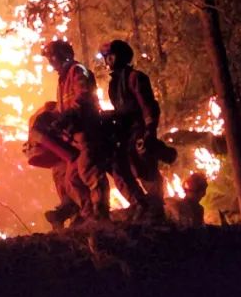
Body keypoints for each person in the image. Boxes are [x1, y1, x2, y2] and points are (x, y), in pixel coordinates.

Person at [100, 39, 175, 221]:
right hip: (124, 131)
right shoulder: (113, 84)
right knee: (120, 166)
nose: (108, 60)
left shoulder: (135, 77)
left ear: (122, 56)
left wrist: (149, 131)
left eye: (111, 56)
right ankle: (141, 205)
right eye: (106, 57)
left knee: (144, 165)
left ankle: (157, 209)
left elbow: (147, 106)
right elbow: (121, 110)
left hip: (139, 129)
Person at [42, 40, 110, 222]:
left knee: (90, 171)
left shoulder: (77, 71)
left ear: (63, 54)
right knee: (72, 178)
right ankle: (88, 215)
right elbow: (63, 108)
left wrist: (69, 115)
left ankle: (101, 214)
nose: (51, 61)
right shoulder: (62, 79)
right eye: (49, 58)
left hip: (87, 129)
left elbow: (83, 96)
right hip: (73, 134)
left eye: (52, 57)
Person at [24, 101, 85, 230]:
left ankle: (67, 217)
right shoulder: (49, 115)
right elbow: (46, 137)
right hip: (56, 154)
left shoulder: (37, 117)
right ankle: (74, 215)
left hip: (49, 157)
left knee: (64, 187)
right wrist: (69, 155)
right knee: (73, 184)